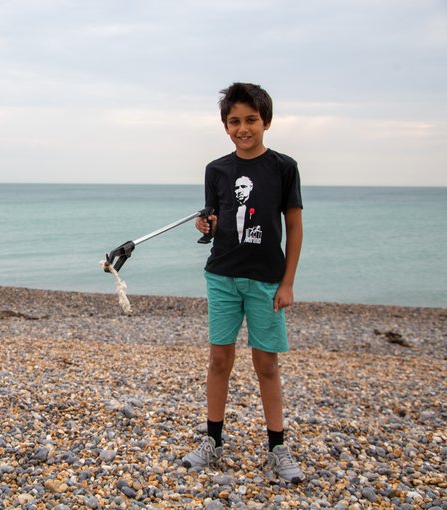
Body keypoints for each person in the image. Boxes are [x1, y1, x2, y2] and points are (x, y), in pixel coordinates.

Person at [182, 83, 304, 483]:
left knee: (266, 364)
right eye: (234, 121)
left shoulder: (284, 167)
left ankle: (277, 446)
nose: (243, 128)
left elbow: (295, 226)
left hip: (267, 280)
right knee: (219, 360)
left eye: (251, 119)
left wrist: (287, 282)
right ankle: (213, 440)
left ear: (266, 121)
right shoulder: (216, 170)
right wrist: (207, 224)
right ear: (225, 126)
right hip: (221, 276)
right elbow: (214, 220)